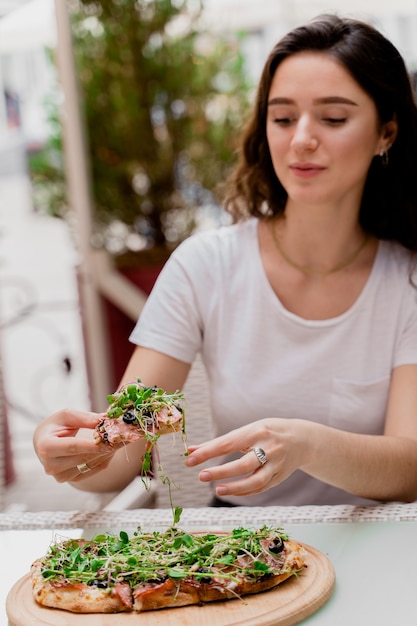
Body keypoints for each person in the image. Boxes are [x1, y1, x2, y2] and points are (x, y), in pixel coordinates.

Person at [34, 14, 417, 508]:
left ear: (386, 133)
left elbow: (409, 469)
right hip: (241, 558)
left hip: (379, 550)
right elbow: (121, 456)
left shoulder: (406, 281)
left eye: (333, 118)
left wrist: (308, 445)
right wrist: (73, 454)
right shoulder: (205, 266)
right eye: (282, 118)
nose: (301, 138)